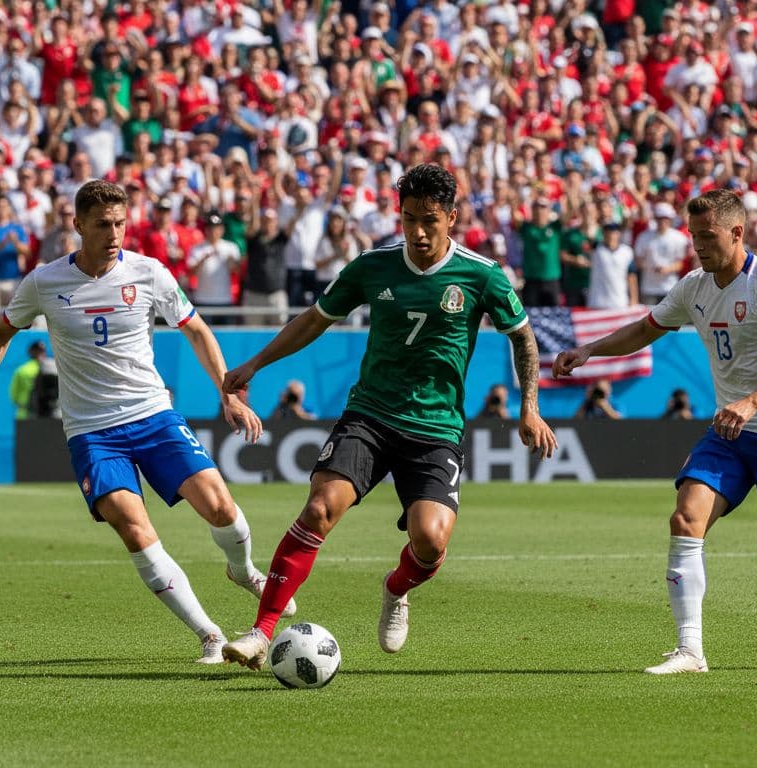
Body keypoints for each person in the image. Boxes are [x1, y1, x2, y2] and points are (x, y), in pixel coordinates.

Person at [219, 164, 558, 669]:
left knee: (430, 539)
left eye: (430, 220)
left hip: (436, 428)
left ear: (452, 218)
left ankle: (396, 589)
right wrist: (255, 363)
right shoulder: (372, 267)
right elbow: (315, 320)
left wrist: (530, 407)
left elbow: (523, 336)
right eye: (408, 219)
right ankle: (261, 632)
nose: (418, 232)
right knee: (318, 509)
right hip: (371, 415)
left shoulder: (482, 274)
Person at [0, 180, 291, 664]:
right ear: (78, 225)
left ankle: (242, 568)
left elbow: (196, 331)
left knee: (220, 508)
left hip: (153, 414)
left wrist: (227, 395)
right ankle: (210, 633)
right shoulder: (45, 281)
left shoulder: (149, 273)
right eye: (103, 224)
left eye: (121, 223)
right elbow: (1, 333)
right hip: (92, 431)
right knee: (134, 528)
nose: (113, 234)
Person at [554, 190, 757, 675]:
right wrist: (589, 351)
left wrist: (752, 402)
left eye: (707, 237)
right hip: (731, 432)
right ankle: (690, 650)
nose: (698, 246)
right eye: (693, 237)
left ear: (737, 233)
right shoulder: (694, 286)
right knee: (685, 519)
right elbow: (647, 329)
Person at [9, 340, 47, 420]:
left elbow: (13, 396)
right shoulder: (51, 370)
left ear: (30, 352)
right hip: (47, 416)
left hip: (24, 415)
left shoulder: (21, 370)